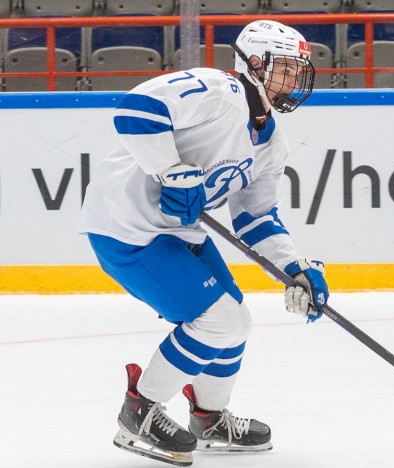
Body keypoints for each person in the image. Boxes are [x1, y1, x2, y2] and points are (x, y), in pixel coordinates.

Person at [79, 20, 329, 467]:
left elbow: (255, 218)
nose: (295, 80)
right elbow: (135, 110)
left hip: (177, 233)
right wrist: (169, 169)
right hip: (129, 228)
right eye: (288, 68)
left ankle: (208, 419)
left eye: (299, 71)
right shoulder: (216, 90)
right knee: (217, 321)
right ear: (255, 63)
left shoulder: (272, 143)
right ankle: (139, 413)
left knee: (236, 320)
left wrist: (294, 267)